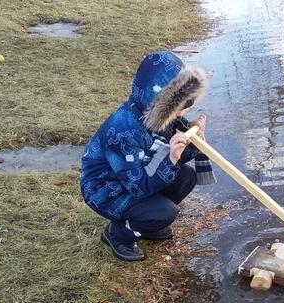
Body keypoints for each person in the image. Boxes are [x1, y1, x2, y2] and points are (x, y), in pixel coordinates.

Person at [80, 51, 215, 262]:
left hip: (138, 175)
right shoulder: (123, 131)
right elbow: (138, 186)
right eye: (178, 108)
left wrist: (193, 138)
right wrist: (170, 159)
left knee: (187, 177)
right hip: (106, 189)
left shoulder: (161, 117)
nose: (179, 115)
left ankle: (148, 223)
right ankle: (118, 234)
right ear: (160, 98)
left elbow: (176, 156)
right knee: (165, 211)